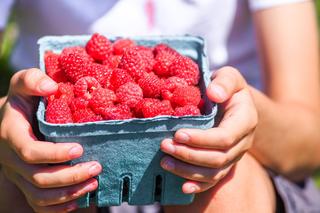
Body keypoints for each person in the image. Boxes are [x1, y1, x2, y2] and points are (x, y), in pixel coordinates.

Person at [0, 0, 319, 212]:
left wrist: (241, 116)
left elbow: (311, 140)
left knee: (220, 191)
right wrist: (10, 120)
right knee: (28, 184)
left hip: (233, 163)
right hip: (74, 155)